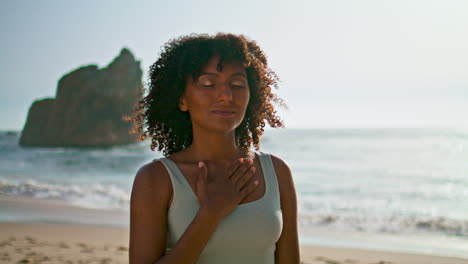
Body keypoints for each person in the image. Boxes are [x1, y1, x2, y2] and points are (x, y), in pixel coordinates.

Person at [129, 33, 299, 263]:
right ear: (182, 100)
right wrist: (211, 214)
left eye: (237, 84)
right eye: (209, 84)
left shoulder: (276, 172)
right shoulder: (156, 179)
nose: (226, 96)